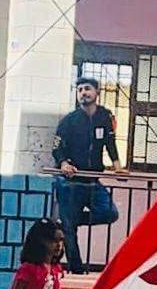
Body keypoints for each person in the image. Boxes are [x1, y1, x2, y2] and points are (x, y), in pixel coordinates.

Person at [52, 76, 123, 274]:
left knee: (110, 213)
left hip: (92, 181)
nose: (83, 93)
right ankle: (76, 269)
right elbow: (56, 148)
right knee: (69, 231)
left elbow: (110, 144)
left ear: (97, 92)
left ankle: (70, 220)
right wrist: (64, 163)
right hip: (70, 182)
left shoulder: (104, 117)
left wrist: (118, 167)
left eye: (87, 89)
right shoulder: (69, 120)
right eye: (80, 90)